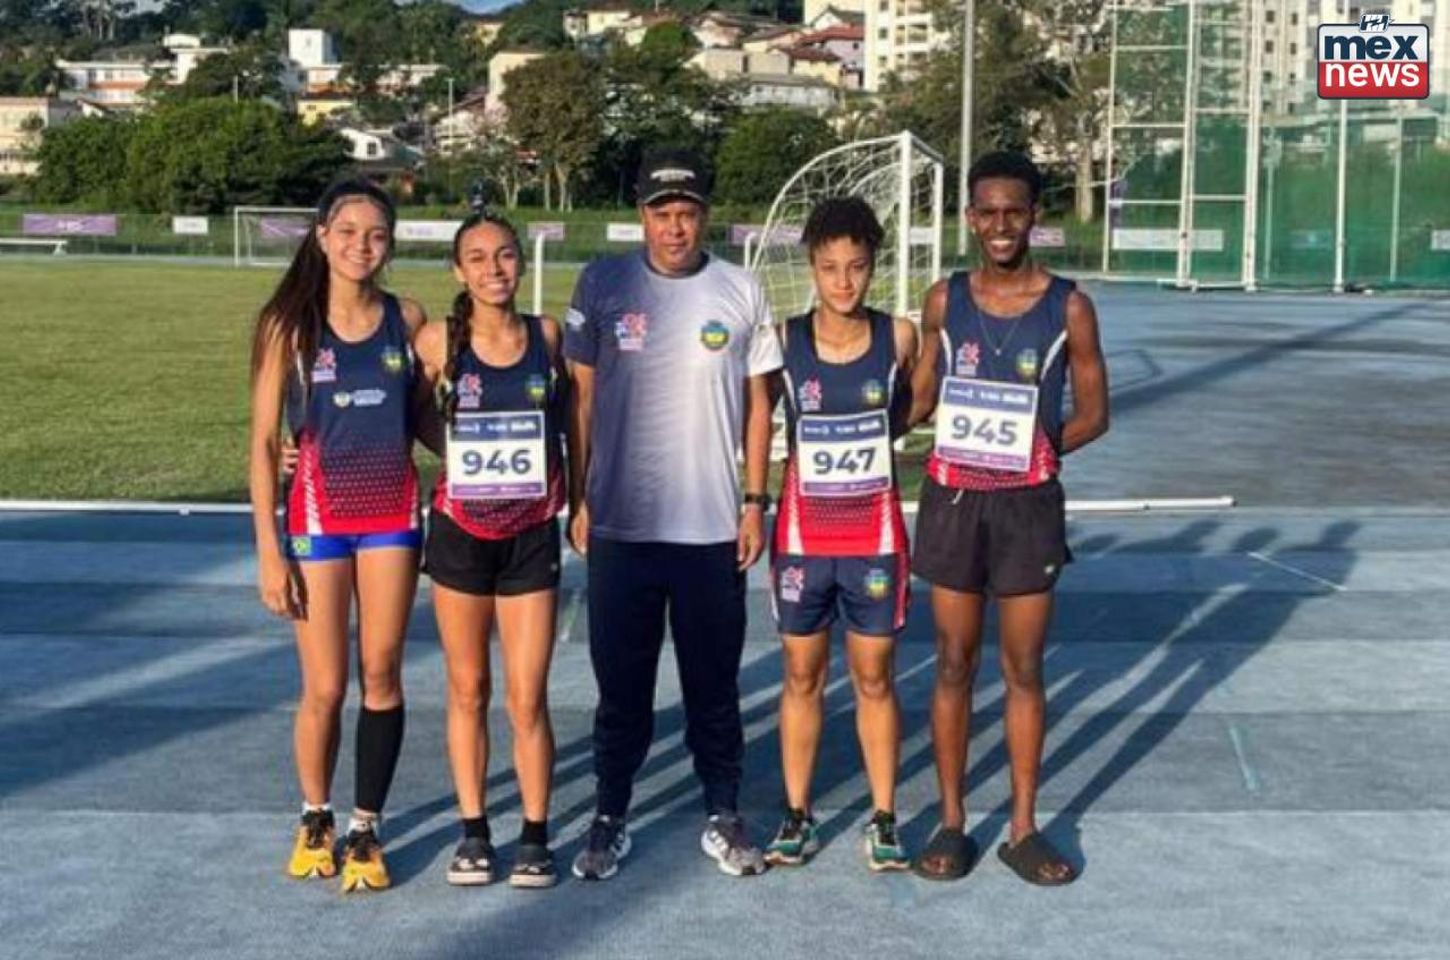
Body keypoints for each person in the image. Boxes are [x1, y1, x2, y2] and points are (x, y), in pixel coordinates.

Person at [564, 148, 783, 880]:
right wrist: (579, 496)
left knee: (713, 688)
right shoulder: (602, 283)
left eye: (687, 213)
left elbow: (760, 406)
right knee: (620, 691)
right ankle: (609, 814)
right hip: (621, 528)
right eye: (662, 214)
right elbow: (581, 400)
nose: (675, 228)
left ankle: (724, 810)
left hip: (710, 530)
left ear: (705, 216)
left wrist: (754, 501)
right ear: (642, 215)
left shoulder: (740, 289)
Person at [908, 151, 1109, 885]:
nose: (1000, 225)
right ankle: (952, 820)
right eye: (987, 212)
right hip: (954, 503)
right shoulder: (943, 299)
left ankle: (1023, 828)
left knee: (1023, 667)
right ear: (970, 218)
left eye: (1013, 212)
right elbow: (921, 397)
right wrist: (856, 409)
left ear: (1034, 217)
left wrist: (1041, 451)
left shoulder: (1069, 306)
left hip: (1027, 507)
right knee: (952, 663)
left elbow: (1095, 413)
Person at [248, 180, 428, 893]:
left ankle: (365, 826)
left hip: (391, 517)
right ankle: (315, 814)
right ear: (321, 236)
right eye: (348, 231)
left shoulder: (407, 319)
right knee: (323, 684)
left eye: (376, 234)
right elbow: (264, 443)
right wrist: (269, 550)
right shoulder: (287, 324)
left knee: (381, 673)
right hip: (317, 521)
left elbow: (427, 421)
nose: (362, 246)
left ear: (390, 243)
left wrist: (492, 456)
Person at [412, 210, 571, 888]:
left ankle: (535, 834)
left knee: (527, 697)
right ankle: (474, 830)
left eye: (504, 255)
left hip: (531, 534)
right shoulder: (436, 341)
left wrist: (578, 496)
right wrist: (457, 451)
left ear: (521, 262)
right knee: (468, 687)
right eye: (476, 258)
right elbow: (409, 414)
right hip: (461, 534)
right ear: (458, 270)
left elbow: (571, 422)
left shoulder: (546, 336)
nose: (493, 269)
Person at [761, 197, 917, 872]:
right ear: (811, 268)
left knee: (874, 675)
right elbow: (755, 419)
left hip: (875, 539)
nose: (844, 281)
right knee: (802, 674)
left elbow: (908, 409)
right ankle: (797, 813)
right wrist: (752, 501)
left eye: (856, 266)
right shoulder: (784, 340)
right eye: (830, 268)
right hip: (803, 538)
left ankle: (884, 817)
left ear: (873, 265)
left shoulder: (899, 337)